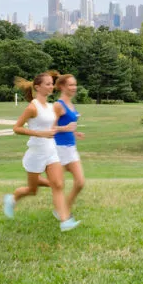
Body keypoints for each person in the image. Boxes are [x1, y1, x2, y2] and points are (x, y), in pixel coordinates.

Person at [2, 72, 80, 232]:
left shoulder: (51, 107)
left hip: (51, 150)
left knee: (58, 184)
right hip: (36, 153)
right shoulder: (32, 107)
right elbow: (16, 128)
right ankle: (13, 198)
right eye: (48, 84)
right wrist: (39, 134)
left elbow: (52, 128)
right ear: (37, 87)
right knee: (32, 190)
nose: (51, 86)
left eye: (52, 84)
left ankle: (65, 220)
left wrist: (66, 130)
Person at [52, 72, 87, 214]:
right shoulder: (58, 105)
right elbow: (50, 129)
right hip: (59, 149)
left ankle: (64, 208)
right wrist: (65, 128)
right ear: (62, 87)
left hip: (71, 148)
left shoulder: (71, 104)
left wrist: (74, 132)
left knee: (80, 182)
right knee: (58, 185)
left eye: (75, 84)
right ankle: (63, 212)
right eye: (71, 85)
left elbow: (69, 125)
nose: (74, 87)